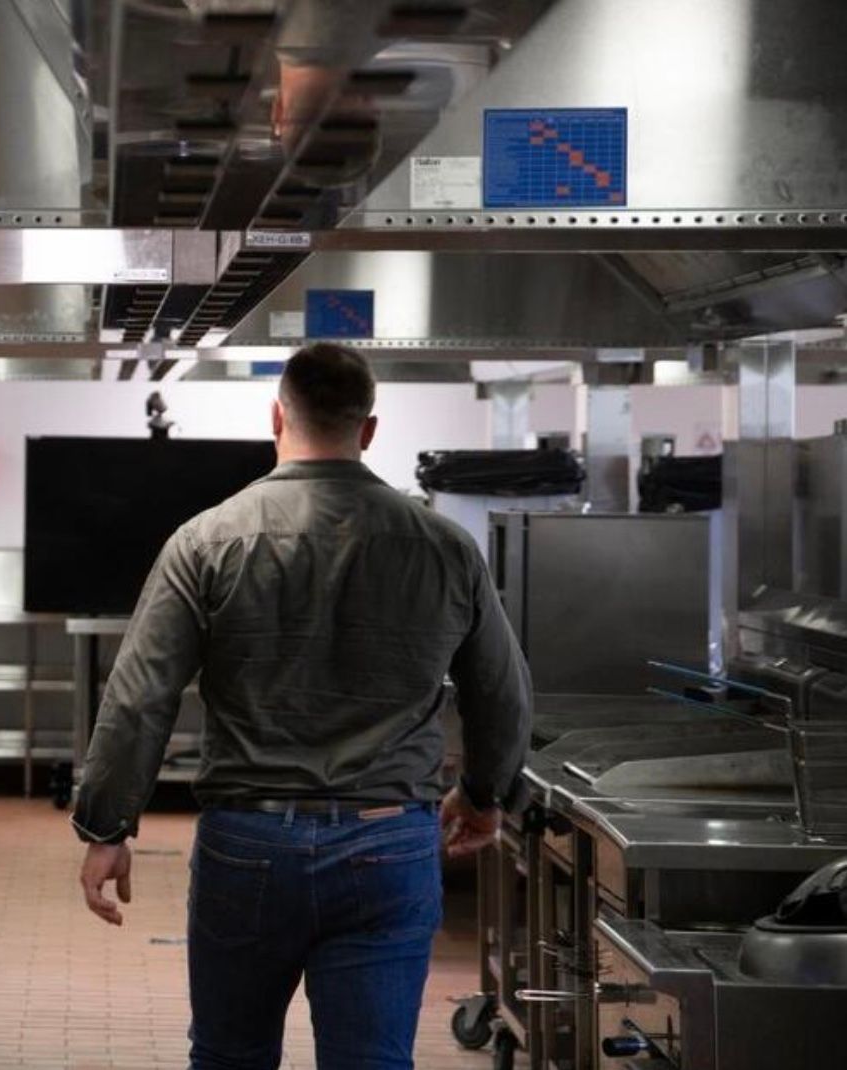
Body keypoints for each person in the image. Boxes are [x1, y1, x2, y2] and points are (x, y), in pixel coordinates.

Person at [72, 342, 532, 1070]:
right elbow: (501, 691)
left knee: (229, 1056)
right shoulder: (446, 547)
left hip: (249, 842)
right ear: (369, 429)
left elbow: (139, 698)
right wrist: (483, 795)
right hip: (388, 840)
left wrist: (107, 823)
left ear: (276, 417)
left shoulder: (207, 540)